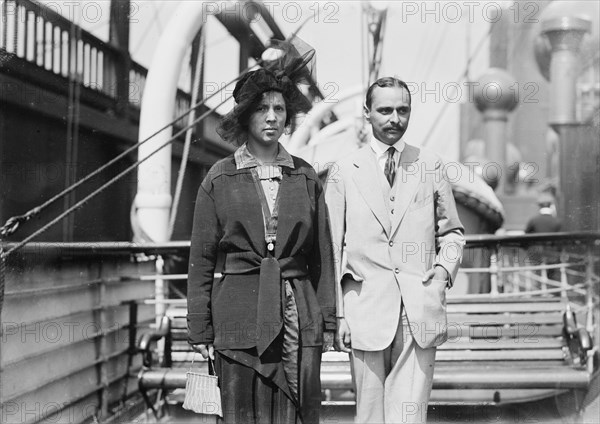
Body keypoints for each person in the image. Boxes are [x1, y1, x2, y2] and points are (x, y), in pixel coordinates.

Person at [187, 45, 336, 424]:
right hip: (236, 320)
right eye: (261, 109)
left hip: (296, 319)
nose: (272, 117)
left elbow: (322, 258)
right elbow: (201, 260)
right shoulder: (219, 178)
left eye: (280, 109)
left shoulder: (305, 176)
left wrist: (329, 322)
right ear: (244, 115)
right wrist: (200, 331)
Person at [325, 77, 465, 423]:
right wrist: (339, 315)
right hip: (364, 313)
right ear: (367, 113)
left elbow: (453, 234)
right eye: (385, 110)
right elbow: (330, 247)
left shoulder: (430, 165)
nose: (394, 119)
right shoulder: (344, 171)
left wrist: (443, 271)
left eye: (403, 110)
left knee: (409, 417)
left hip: (419, 311)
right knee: (370, 417)